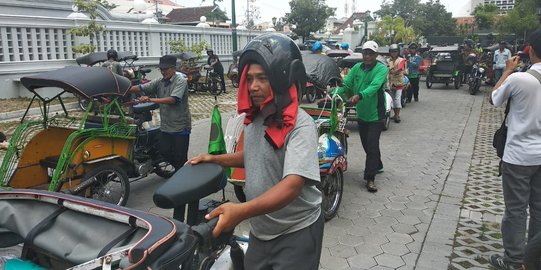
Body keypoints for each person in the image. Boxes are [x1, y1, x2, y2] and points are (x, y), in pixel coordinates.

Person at [188, 33, 323, 270]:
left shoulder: (301, 125)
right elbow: (254, 155)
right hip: (261, 230)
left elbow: (293, 184)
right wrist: (216, 159)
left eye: (262, 78)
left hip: (296, 230)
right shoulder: (255, 117)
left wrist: (240, 211)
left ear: (282, 79)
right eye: (249, 78)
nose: (253, 86)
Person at [488, 29, 541, 270]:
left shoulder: (520, 79)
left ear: (529, 49)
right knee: (539, 208)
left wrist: (508, 70)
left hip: (519, 156)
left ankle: (513, 260)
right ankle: (533, 259)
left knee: (516, 210)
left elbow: (494, 98)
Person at [334, 40, 388, 192]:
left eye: (371, 53)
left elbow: (374, 87)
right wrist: (332, 94)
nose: (368, 56)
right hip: (362, 114)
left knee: (371, 144)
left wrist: (359, 96)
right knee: (367, 145)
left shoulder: (381, 69)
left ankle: (370, 178)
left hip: (376, 114)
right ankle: (378, 164)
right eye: (365, 53)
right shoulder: (357, 67)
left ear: (376, 55)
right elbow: (347, 85)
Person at [129, 54, 191, 170]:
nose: (163, 72)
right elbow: (142, 87)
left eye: (165, 69)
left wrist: (149, 99)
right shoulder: (159, 81)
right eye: (161, 69)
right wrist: (122, 89)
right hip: (166, 126)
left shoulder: (181, 81)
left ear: (173, 68)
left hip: (180, 126)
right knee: (163, 151)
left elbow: (173, 100)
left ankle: (183, 176)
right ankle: (182, 171)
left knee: (180, 157)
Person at [387, 44, 407, 123]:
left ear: (398, 52)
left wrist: (391, 71)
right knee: (392, 100)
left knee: (397, 99)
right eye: (392, 52)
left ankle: (397, 115)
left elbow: (400, 68)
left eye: (395, 52)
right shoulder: (388, 60)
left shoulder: (401, 60)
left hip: (399, 83)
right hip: (390, 83)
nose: (394, 53)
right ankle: (395, 114)